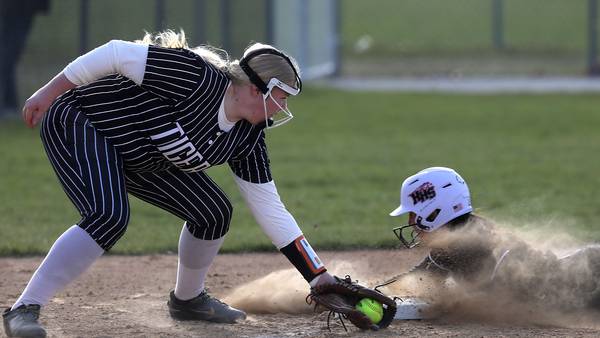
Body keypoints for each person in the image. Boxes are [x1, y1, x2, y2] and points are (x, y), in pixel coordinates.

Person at [2, 30, 336, 337]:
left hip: (140, 154)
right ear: (255, 88)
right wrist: (49, 91)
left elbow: (271, 209)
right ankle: (23, 308)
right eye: (281, 95)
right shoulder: (195, 78)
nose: (283, 106)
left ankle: (187, 300)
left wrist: (317, 275)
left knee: (213, 211)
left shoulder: (247, 137)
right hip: (82, 120)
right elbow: (115, 53)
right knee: (109, 216)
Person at [387, 167, 600, 314]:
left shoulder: (472, 242)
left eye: (413, 213)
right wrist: (369, 292)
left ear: (434, 210)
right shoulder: (459, 238)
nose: (411, 222)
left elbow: (516, 300)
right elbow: (417, 279)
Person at [0, 0, 50, 114]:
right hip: (15, 7)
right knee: (7, 55)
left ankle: (9, 105)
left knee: (7, 55)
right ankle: (9, 104)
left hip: (19, 6)